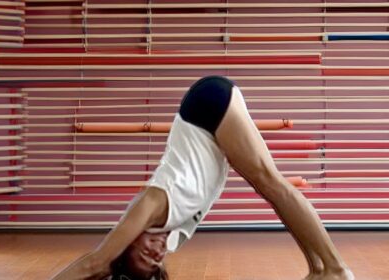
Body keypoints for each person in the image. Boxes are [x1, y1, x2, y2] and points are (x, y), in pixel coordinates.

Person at [52, 76, 354, 280]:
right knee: (271, 189)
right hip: (209, 122)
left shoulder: (152, 202)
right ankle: (319, 267)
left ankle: (336, 269)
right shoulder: (170, 236)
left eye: (145, 252)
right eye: (156, 259)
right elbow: (115, 270)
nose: (157, 251)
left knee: (274, 185)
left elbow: (96, 264)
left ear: (126, 244)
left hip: (205, 108)